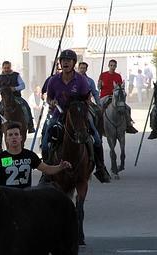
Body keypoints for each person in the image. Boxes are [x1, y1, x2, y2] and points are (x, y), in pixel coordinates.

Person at [44, 49, 111, 183]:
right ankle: (46, 173)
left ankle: (100, 168)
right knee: (46, 141)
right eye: (63, 61)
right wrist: (52, 102)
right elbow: (49, 98)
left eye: (68, 61)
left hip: (78, 115)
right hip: (59, 114)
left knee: (96, 139)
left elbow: (87, 99)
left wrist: (81, 107)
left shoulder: (81, 80)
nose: (65, 63)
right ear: (60, 63)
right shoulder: (53, 80)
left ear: (74, 63)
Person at [0, 122, 71, 188]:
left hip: (26, 198)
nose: (14, 137)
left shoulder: (29, 155)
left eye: (16, 134)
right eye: (10, 135)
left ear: (21, 137)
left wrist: (60, 167)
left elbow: (47, 169)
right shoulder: (0, 158)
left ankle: (30, 124)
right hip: (6, 199)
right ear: (6, 139)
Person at [0, 60, 35, 133]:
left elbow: (22, 85)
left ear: (10, 67)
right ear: (2, 68)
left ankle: (30, 125)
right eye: (5, 68)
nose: (6, 69)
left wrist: (14, 88)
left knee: (26, 107)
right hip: (5, 100)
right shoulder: (0, 78)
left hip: (16, 97)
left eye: (8, 68)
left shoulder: (16, 75)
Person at [98, 60, 137, 133]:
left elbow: (120, 88)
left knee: (127, 108)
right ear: (108, 66)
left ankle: (129, 125)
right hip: (104, 96)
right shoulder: (103, 75)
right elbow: (98, 87)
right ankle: (99, 126)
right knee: (99, 109)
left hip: (115, 97)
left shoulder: (118, 76)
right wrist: (99, 84)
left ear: (116, 66)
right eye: (111, 65)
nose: (112, 67)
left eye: (114, 65)